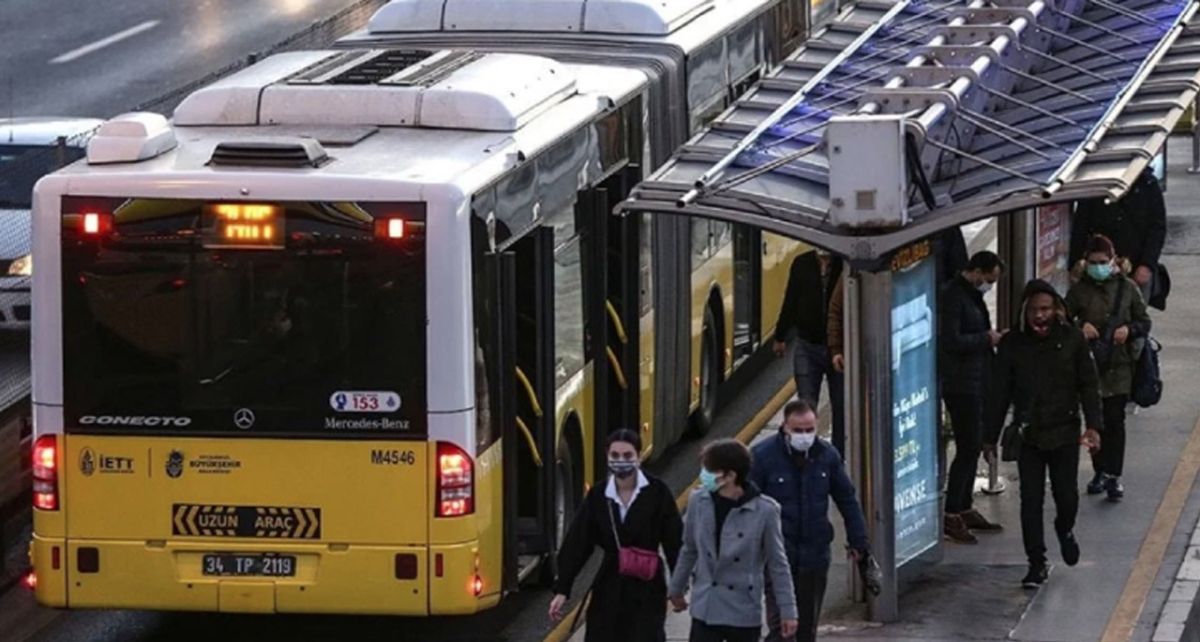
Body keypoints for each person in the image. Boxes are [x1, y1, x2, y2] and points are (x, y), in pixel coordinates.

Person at [987, 280, 1104, 589]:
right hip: (1030, 434)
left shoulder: (1073, 339)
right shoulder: (1013, 345)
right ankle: (1035, 562)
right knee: (1031, 500)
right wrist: (989, 437)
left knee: (1067, 496)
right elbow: (999, 392)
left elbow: (1088, 385)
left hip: (1065, 431)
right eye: (1035, 310)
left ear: (1056, 310)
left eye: (1046, 309)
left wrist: (1093, 426)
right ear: (1025, 312)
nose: (1040, 316)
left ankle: (1064, 528)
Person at [750, 399, 870, 642]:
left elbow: (847, 499)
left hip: (814, 556)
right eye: (798, 430)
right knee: (782, 628)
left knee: (806, 629)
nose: (805, 436)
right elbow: (747, 506)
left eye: (809, 430)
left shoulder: (826, 455)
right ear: (784, 427)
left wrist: (859, 541)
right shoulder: (762, 457)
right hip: (778, 557)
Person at [549, 430, 683, 642]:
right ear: (607, 456)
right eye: (616, 455)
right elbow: (578, 543)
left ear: (638, 457)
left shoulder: (658, 493)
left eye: (628, 456)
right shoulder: (599, 495)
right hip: (609, 586)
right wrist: (562, 589)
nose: (621, 461)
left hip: (647, 587)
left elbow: (674, 541)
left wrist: (678, 586)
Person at [668, 439, 798, 642]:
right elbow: (689, 549)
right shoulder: (698, 501)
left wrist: (788, 611)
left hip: (743, 611)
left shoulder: (765, 511)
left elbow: (778, 564)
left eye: (710, 471)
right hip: (706, 608)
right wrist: (676, 588)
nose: (704, 476)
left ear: (730, 476)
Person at [1065, 235, 1151, 502]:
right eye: (1093, 262)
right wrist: (1080, 327)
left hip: (1119, 365)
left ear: (1113, 261)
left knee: (1115, 421)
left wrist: (1129, 329)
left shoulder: (1127, 289)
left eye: (1103, 262)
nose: (1098, 267)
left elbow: (1144, 321)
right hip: (1090, 366)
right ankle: (1099, 470)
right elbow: (1064, 321)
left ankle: (1114, 474)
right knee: (1095, 421)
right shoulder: (1079, 291)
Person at [940, 251, 1006, 544]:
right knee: (967, 447)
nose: (989, 285)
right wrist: (986, 339)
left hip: (974, 379)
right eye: (989, 279)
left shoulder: (969, 295)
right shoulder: (953, 296)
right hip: (960, 383)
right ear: (977, 271)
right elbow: (951, 339)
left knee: (973, 445)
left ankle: (963, 506)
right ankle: (952, 511)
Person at [772, 249, 845, 457]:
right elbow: (791, 299)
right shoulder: (801, 263)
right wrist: (781, 335)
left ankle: (838, 457)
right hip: (807, 345)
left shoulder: (844, 263)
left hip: (837, 349)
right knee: (805, 403)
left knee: (840, 406)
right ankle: (805, 454)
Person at [1070, 168, 1167, 301]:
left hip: (1136, 266)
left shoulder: (1147, 184)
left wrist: (1147, 264)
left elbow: (1157, 228)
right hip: (1099, 267)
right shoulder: (1096, 185)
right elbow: (1080, 227)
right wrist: (1075, 264)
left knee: (1134, 314)